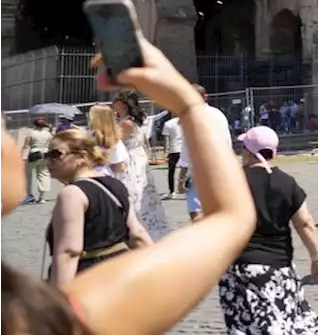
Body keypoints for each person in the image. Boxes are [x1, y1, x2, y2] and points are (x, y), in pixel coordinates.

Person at [0, 34, 256, 335]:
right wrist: (185, 103)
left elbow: (71, 250)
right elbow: (232, 217)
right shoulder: (34, 318)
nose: (9, 139)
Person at [218, 126, 318, 334]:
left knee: (246, 327)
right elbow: (305, 223)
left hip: (239, 268)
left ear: (249, 152)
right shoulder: (286, 182)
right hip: (279, 267)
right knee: (288, 322)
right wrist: (317, 258)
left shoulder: (232, 181)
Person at [46, 128, 153, 284]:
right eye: (47, 156)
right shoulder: (115, 184)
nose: (48, 162)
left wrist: (58, 299)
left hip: (89, 278)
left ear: (81, 156)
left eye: (56, 155)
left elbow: (69, 252)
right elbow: (137, 235)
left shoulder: (72, 194)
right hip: (122, 272)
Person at [112, 90, 170, 239]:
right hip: (134, 156)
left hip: (130, 158)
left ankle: (139, 226)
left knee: (133, 191)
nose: (113, 105)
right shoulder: (125, 120)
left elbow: (113, 140)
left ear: (122, 104)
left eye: (116, 102)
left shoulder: (127, 122)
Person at [181, 85, 235, 222]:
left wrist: (181, 176)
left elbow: (187, 148)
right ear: (205, 97)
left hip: (200, 170)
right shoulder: (218, 114)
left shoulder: (190, 116)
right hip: (221, 167)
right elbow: (227, 142)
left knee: (196, 212)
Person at [20, 117, 54, 204]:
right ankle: (42, 197)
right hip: (45, 155)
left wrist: (23, 156)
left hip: (34, 154)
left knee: (28, 176)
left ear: (34, 125)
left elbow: (26, 146)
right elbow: (51, 145)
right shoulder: (48, 134)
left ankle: (29, 195)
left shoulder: (31, 134)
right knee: (43, 174)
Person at [88, 105, 128, 177]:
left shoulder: (86, 136)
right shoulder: (115, 140)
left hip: (86, 175)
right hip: (106, 176)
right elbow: (121, 167)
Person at [162, 113, 187, 198]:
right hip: (184, 149)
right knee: (186, 170)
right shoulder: (184, 121)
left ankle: (172, 192)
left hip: (174, 150)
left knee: (171, 171)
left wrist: (166, 151)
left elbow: (166, 139)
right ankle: (186, 188)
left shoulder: (168, 123)